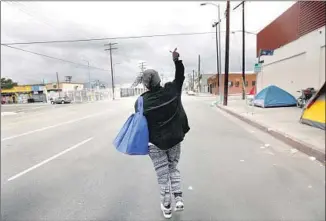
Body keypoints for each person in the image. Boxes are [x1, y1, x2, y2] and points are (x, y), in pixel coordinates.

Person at [134, 48, 190, 219]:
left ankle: (167, 207)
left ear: (145, 84)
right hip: (174, 139)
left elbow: (140, 122)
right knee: (173, 167)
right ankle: (178, 198)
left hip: (155, 144)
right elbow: (180, 77)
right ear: (158, 80)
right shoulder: (172, 90)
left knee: (162, 175)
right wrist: (176, 60)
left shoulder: (141, 101)